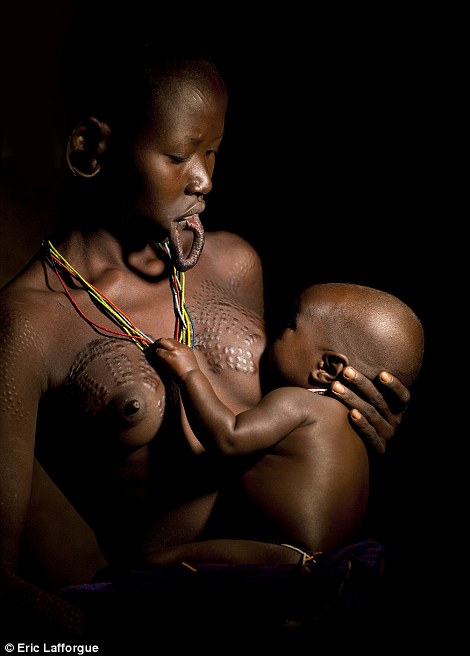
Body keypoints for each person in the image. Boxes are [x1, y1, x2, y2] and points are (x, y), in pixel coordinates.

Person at [0, 10, 411, 641]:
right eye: (178, 154)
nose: (205, 179)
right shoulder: (29, 324)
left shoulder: (236, 263)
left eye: (213, 150)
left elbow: (295, 412)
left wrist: (355, 422)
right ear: (90, 147)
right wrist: (101, 642)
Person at [144, 282, 424, 567]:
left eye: (291, 324)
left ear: (327, 368)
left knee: (159, 563)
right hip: (328, 564)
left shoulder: (298, 403)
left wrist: (191, 373)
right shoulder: (354, 433)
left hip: (282, 556)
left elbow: (228, 438)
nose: (274, 329)